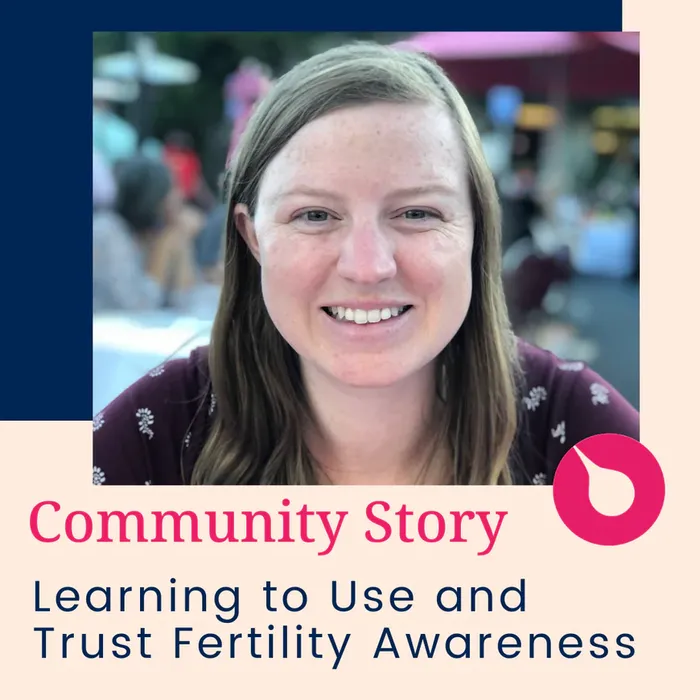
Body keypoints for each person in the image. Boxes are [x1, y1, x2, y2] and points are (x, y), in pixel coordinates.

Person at [92, 42, 638, 487]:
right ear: (251, 237)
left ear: (477, 230)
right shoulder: (159, 434)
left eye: (418, 212)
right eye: (314, 215)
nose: (368, 267)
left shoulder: (578, 436)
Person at [93, 155, 202, 312]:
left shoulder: (157, 234)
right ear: (153, 197)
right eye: (172, 189)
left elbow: (186, 302)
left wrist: (180, 241)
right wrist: (165, 250)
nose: (181, 196)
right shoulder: (107, 233)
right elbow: (139, 309)